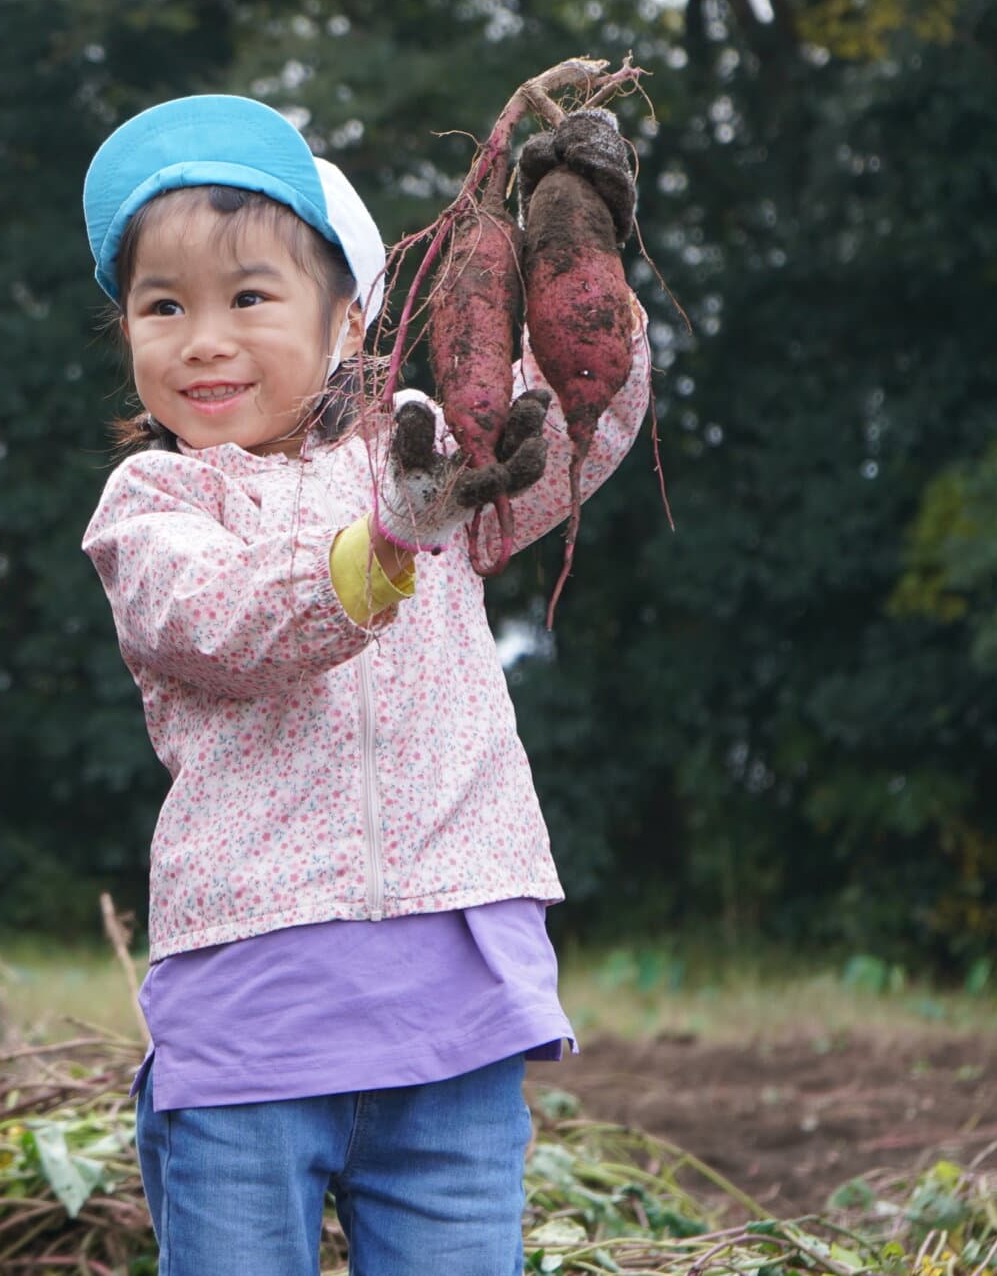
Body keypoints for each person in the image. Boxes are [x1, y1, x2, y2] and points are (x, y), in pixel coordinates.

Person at [78, 93, 650, 1275]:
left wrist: (586, 239)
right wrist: (386, 539)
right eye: (162, 306)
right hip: (252, 1021)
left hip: (452, 1005)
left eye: (248, 297)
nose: (203, 338)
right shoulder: (153, 507)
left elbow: (579, 427)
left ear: (347, 321)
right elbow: (226, 625)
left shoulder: (426, 449)